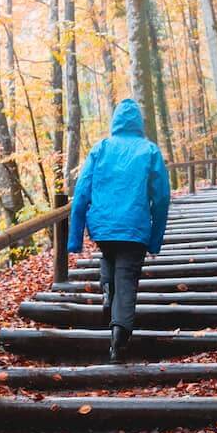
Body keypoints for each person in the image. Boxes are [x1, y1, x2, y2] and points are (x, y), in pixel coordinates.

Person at [67, 98, 170, 362]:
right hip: (134, 228)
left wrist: (75, 239)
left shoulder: (101, 148)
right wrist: (155, 239)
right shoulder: (149, 150)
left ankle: (106, 291)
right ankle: (118, 338)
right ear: (139, 123)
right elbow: (161, 198)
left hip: (103, 227)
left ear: (115, 121)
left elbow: (81, 193)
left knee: (110, 255)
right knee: (126, 277)